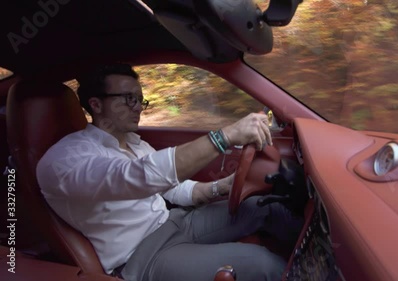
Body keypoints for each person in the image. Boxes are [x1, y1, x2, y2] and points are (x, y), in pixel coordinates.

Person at [36, 63, 302, 281]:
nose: (138, 107)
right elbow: (133, 178)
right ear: (96, 104)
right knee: (263, 265)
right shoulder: (63, 160)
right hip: (143, 255)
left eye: (141, 100)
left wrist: (225, 186)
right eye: (129, 99)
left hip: (175, 222)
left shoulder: (136, 144)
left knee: (265, 207)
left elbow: (176, 189)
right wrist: (225, 137)